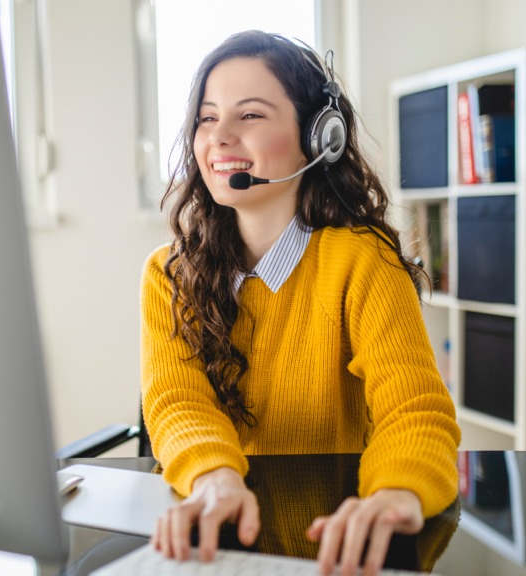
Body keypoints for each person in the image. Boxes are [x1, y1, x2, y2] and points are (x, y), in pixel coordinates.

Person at [140, 30, 460, 576]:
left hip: (339, 544)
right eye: (208, 117)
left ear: (318, 138)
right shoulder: (169, 272)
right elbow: (177, 403)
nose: (219, 138)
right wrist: (215, 478)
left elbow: (414, 410)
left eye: (252, 116)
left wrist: (395, 494)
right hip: (218, 538)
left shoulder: (363, 262)